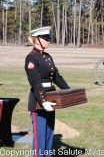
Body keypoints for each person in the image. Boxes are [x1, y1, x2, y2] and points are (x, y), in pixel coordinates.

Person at [24, 26, 70, 157]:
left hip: (51, 99)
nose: (48, 41)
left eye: (48, 38)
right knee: (40, 138)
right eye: (45, 39)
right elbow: (35, 82)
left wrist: (68, 91)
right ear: (36, 40)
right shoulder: (31, 58)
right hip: (39, 102)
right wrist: (43, 101)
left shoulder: (47, 56)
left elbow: (56, 77)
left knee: (49, 135)